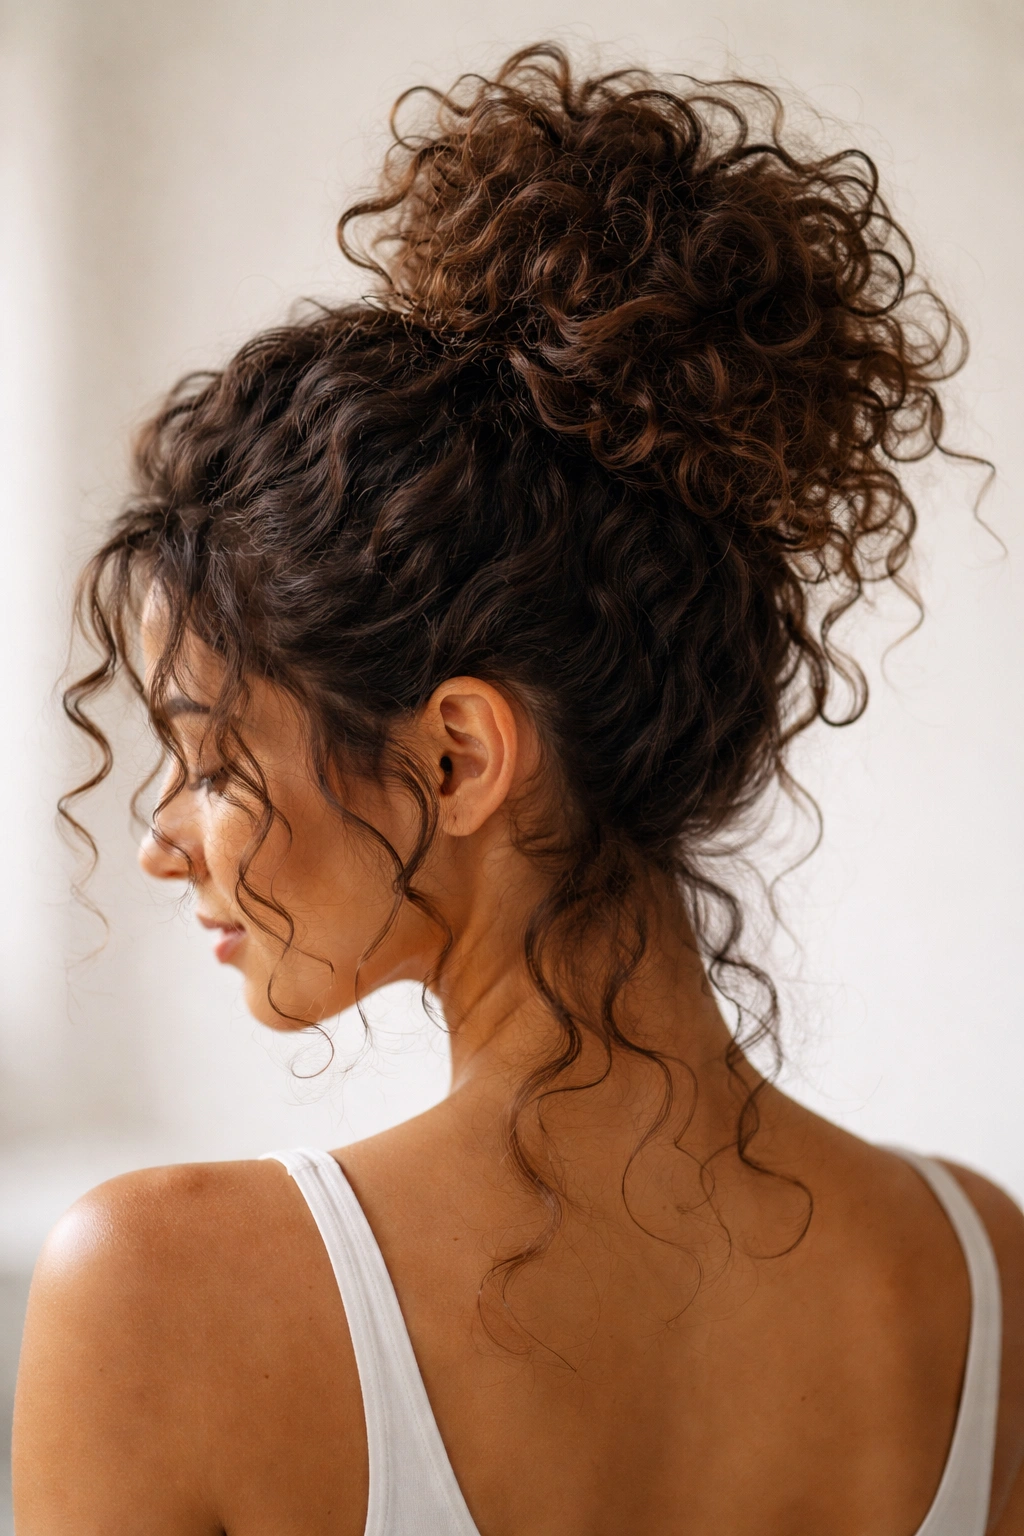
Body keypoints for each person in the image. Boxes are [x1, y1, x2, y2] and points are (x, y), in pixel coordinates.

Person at [12, 42, 1024, 1535]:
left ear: (458, 757)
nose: (165, 847)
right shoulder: (981, 1276)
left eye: (214, 759)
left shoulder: (155, 1296)